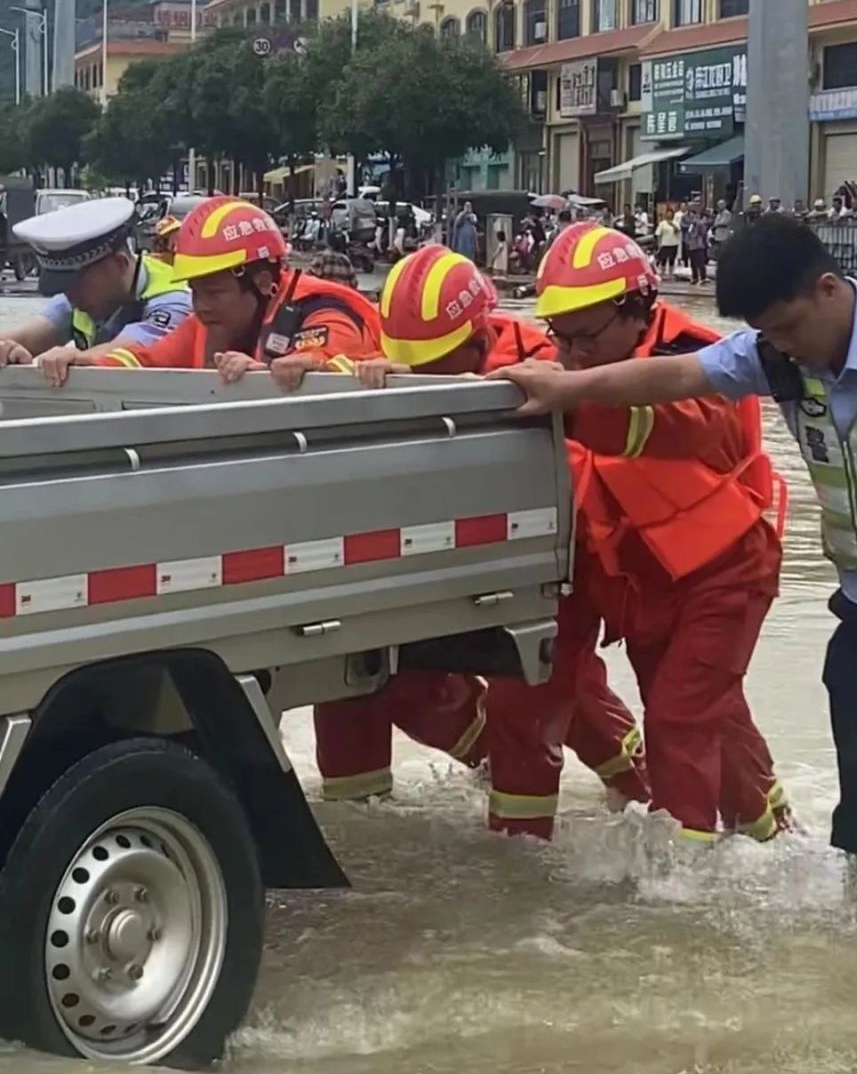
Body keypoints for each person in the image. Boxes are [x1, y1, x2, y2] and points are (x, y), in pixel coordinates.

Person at [496, 215, 857, 902]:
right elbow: (679, 374)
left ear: (829, 289)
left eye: (789, 328)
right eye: (768, 335)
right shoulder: (775, 352)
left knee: (685, 718)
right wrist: (569, 388)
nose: (782, 349)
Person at [318, 244, 651, 828]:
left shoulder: (547, 362)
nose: (423, 377)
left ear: (478, 341)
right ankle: (491, 786)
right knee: (408, 686)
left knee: (556, 689)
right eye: (412, 364)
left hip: (560, 555)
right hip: (454, 554)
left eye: (436, 364)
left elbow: (599, 443)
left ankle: (638, 788)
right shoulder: (398, 362)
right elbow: (339, 369)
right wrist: (325, 371)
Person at [492, 223, 788, 843]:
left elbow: (676, 426)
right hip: (613, 568)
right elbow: (484, 376)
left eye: (587, 338)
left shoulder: (702, 359)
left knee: (682, 718)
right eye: (561, 336)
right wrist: (383, 375)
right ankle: (514, 852)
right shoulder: (561, 357)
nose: (573, 353)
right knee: (524, 697)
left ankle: (700, 867)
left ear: (638, 310)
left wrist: (569, 396)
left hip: (713, 576)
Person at [78, 196, 381, 388]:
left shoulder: (323, 307)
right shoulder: (208, 321)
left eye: (214, 292)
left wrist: (266, 373)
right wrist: (85, 363)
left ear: (263, 283)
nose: (201, 305)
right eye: (195, 292)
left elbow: (332, 356)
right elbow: (148, 360)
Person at [0, 197, 192, 380]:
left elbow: (125, 351)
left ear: (119, 264)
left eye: (79, 284)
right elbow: (29, 335)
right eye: (64, 286)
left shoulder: (174, 300)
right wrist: (8, 349)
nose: (71, 295)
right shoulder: (80, 297)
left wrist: (78, 358)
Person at [656, 205, 680, 274]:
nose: (669, 215)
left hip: (674, 244)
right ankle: (663, 272)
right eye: (668, 213)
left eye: (671, 213)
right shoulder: (662, 223)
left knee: (672, 259)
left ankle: (671, 272)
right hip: (665, 244)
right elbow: (658, 234)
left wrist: (672, 224)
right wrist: (659, 244)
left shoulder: (675, 223)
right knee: (663, 259)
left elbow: (678, 230)